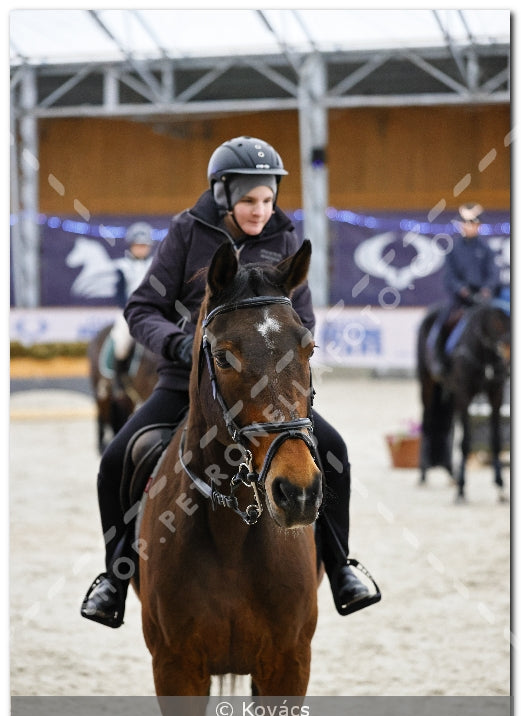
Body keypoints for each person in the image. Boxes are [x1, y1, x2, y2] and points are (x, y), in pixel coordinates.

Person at [81, 135, 380, 628]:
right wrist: (178, 345)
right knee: (116, 459)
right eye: (249, 200)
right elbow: (142, 308)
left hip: (265, 390)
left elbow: (301, 319)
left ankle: (340, 565)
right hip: (185, 381)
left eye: (268, 199)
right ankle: (115, 578)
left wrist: (281, 361)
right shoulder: (187, 232)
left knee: (334, 450)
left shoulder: (286, 239)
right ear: (223, 194)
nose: (261, 210)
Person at [427, 203, 500, 377]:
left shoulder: (486, 250)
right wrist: (462, 290)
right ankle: (439, 359)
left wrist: (486, 290)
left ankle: (499, 367)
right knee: (443, 323)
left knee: (498, 327)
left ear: (478, 225)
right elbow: (449, 276)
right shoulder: (454, 250)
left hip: (482, 300)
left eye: (472, 223)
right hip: (460, 300)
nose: (468, 226)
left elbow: (493, 274)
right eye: (465, 223)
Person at [110, 221, 154, 393]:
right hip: (129, 312)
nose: (142, 249)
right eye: (138, 245)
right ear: (131, 245)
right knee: (122, 343)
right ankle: (119, 379)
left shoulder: (156, 265)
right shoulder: (122, 266)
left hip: (153, 310)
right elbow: (119, 294)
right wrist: (130, 309)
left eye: (145, 245)